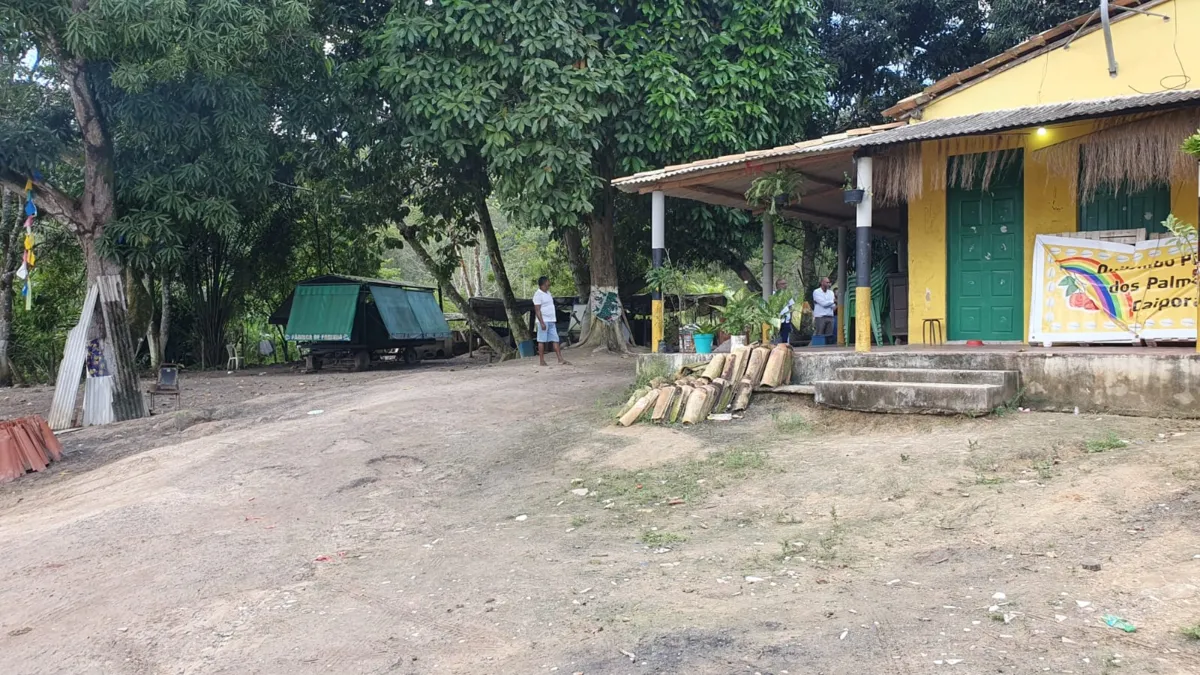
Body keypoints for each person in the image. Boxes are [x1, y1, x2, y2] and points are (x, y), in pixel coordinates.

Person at [533, 276, 570, 366]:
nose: (548, 284)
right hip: (544, 321)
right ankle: (542, 361)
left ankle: (560, 359)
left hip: (551, 320)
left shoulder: (548, 293)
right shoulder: (538, 295)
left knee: (555, 339)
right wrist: (541, 322)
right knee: (541, 340)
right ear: (542, 284)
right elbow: (537, 310)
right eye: (547, 283)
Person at [812, 276, 836, 341]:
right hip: (820, 317)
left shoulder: (831, 293)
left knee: (829, 336)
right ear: (822, 283)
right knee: (819, 335)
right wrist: (832, 302)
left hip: (830, 316)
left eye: (829, 282)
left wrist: (830, 303)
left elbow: (833, 306)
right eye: (827, 282)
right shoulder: (816, 292)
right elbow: (823, 304)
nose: (828, 284)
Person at [774, 278, 795, 345]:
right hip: (776, 319)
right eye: (783, 284)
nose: (785, 285)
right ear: (777, 285)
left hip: (786, 319)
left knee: (785, 337)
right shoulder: (773, 294)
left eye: (785, 283)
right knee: (776, 336)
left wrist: (791, 318)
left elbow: (790, 307)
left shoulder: (788, 294)